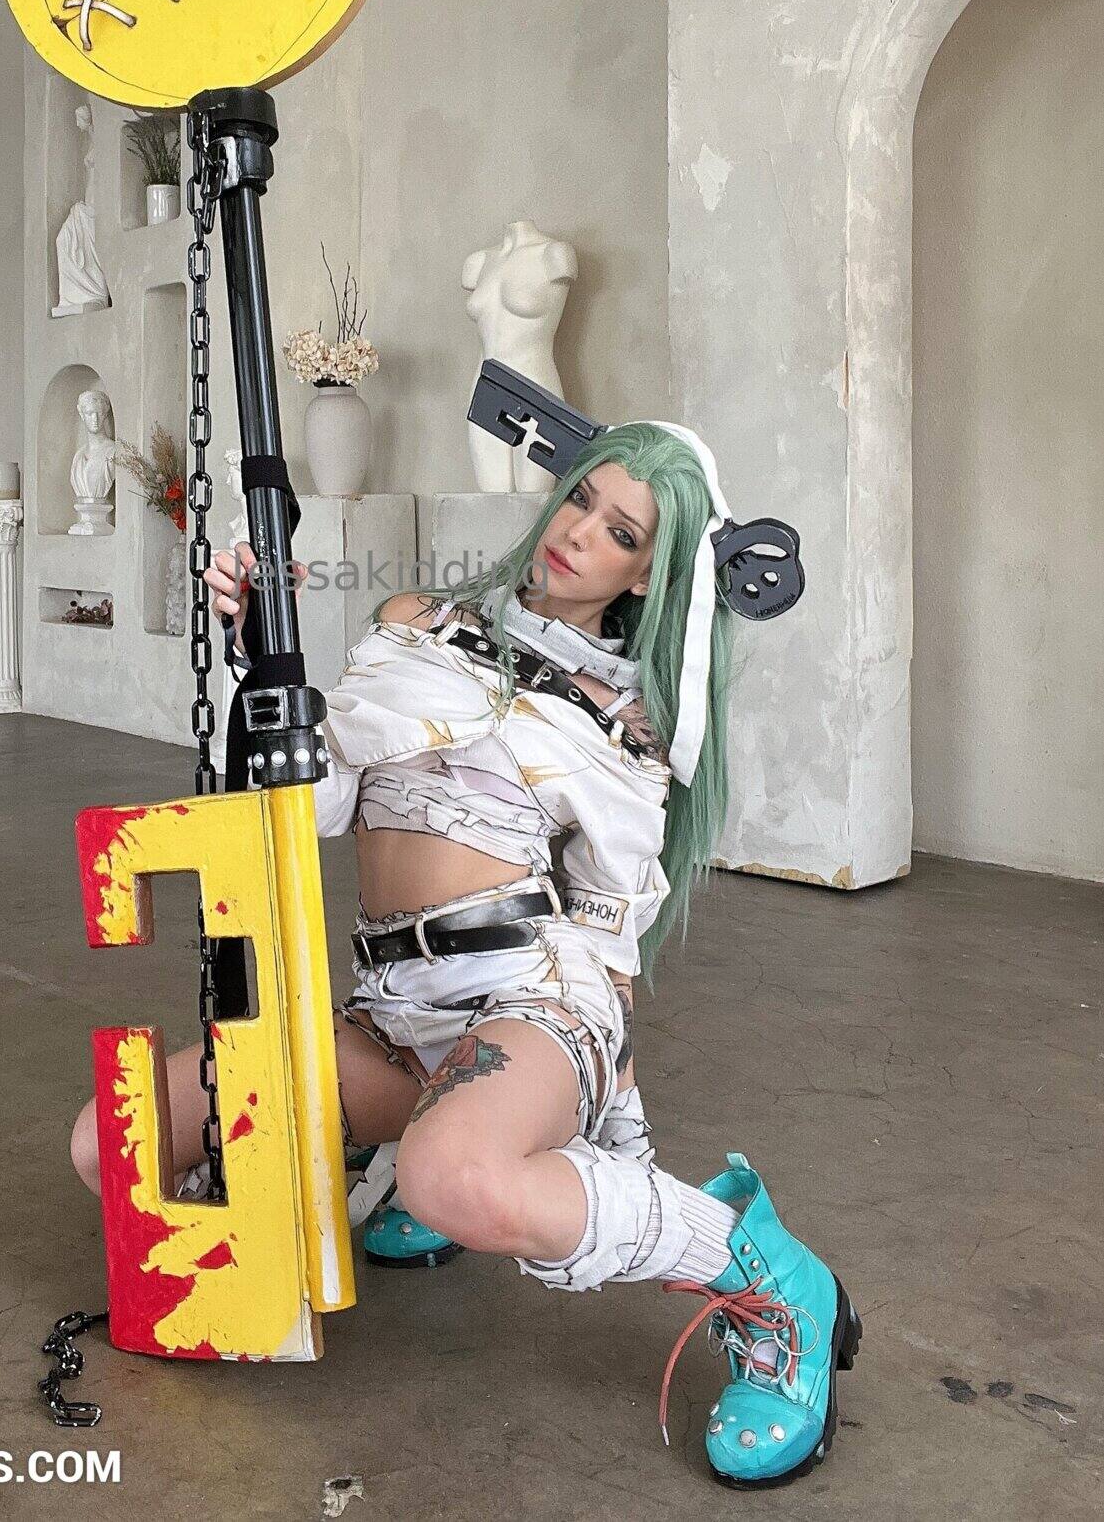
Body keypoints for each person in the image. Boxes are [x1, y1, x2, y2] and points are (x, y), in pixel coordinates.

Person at [70, 421, 861, 1488]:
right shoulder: (414, 624)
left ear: (645, 574)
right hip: (392, 1011)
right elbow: (313, 807)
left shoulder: (625, 722)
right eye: (580, 499)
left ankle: (769, 1275)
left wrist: (610, 1114)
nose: (578, 533)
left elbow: (608, 932)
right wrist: (262, 662)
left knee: (459, 1177)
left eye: (620, 532)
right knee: (108, 1147)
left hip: (532, 997)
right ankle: (408, 1158)